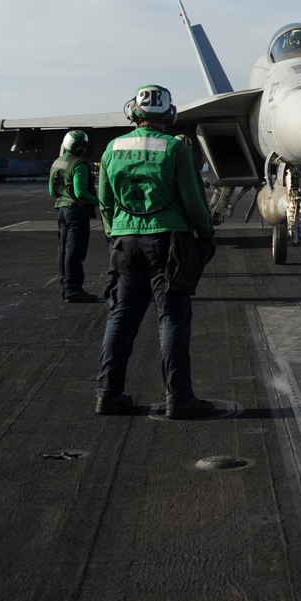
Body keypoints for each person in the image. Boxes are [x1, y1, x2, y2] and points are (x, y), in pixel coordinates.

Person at [95, 84, 216, 418]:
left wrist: (115, 235)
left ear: (133, 111)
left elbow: (105, 204)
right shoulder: (175, 150)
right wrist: (206, 234)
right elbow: (194, 201)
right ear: (169, 115)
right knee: (172, 318)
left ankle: (108, 394)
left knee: (120, 317)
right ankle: (178, 398)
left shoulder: (111, 149)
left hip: (123, 242)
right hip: (168, 244)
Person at [48, 129, 99, 302]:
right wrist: (99, 201)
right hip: (76, 213)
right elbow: (81, 193)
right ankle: (73, 289)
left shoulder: (57, 162)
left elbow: (50, 190)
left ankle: (65, 287)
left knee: (63, 249)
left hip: (61, 211)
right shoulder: (79, 165)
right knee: (74, 251)